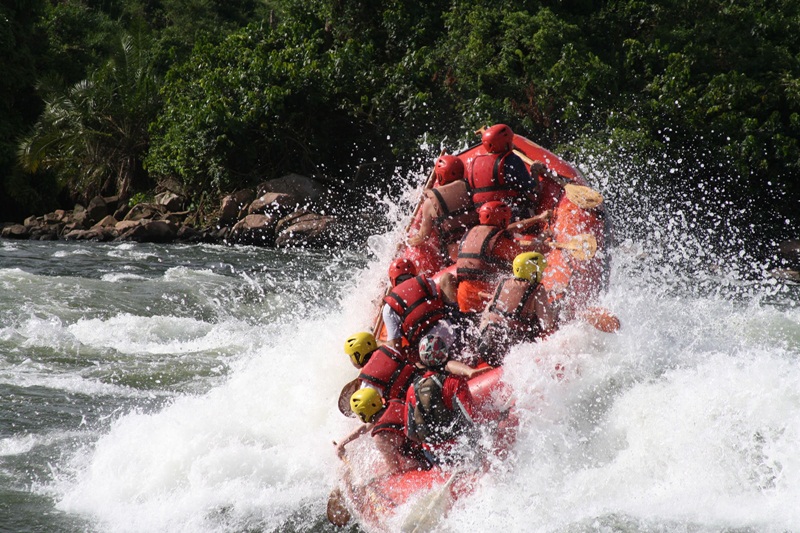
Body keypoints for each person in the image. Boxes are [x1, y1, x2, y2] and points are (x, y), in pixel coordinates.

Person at [456, 201, 551, 315]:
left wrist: (538, 218)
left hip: (464, 299)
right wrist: (544, 244)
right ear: (502, 219)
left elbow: (509, 230)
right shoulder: (498, 242)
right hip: (485, 299)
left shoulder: (472, 233)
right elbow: (524, 256)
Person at [404, 334, 485, 465]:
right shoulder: (454, 382)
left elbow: (410, 432)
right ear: (444, 353)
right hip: (460, 449)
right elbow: (472, 419)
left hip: (433, 455)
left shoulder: (412, 390)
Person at [477, 252, 560, 365]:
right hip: (509, 348)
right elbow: (547, 324)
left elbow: (487, 313)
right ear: (533, 272)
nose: (543, 275)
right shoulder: (537, 289)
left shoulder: (503, 283)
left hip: (485, 344)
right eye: (541, 271)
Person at [335, 388, 430, 474]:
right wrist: (342, 443)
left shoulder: (381, 437)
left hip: (424, 459)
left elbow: (396, 470)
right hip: (429, 441)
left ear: (362, 415)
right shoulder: (393, 402)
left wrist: (372, 480)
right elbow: (366, 427)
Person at [408, 154, 478, 265]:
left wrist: (407, 241)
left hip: (455, 255)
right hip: (478, 243)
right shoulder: (472, 186)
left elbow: (423, 237)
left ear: (440, 177)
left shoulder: (429, 203)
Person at [382, 257, 459, 357]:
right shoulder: (427, 282)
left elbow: (395, 347)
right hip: (452, 332)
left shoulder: (389, 308)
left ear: (393, 280)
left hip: (429, 350)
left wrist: (380, 344)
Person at [466, 124, 539, 220]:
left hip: (485, 216)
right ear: (507, 143)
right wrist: (535, 170)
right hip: (513, 214)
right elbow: (533, 190)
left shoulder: (474, 163)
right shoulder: (512, 160)